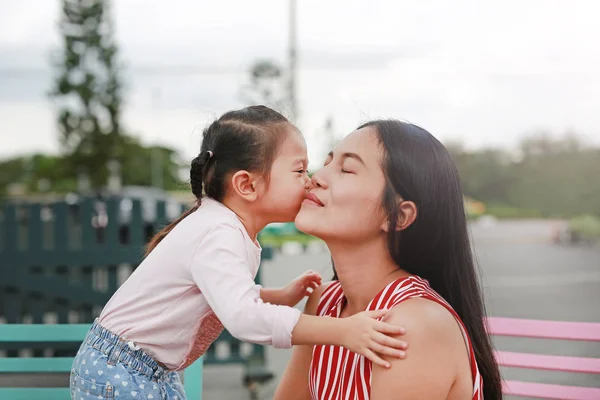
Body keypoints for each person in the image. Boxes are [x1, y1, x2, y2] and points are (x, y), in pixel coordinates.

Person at [69, 107, 408, 400]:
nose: (310, 180)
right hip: (122, 370)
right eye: (299, 170)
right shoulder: (220, 234)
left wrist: (276, 296)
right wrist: (344, 332)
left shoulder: (222, 228)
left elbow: (220, 292)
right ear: (248, 185)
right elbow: (243, 318)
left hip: (134, 365)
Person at [275, 120, 502, 400]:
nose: (316, 177)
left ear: (398, 216)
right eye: (327, 162)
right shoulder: (323, 301)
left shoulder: (414, 324)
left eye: (346, 169)